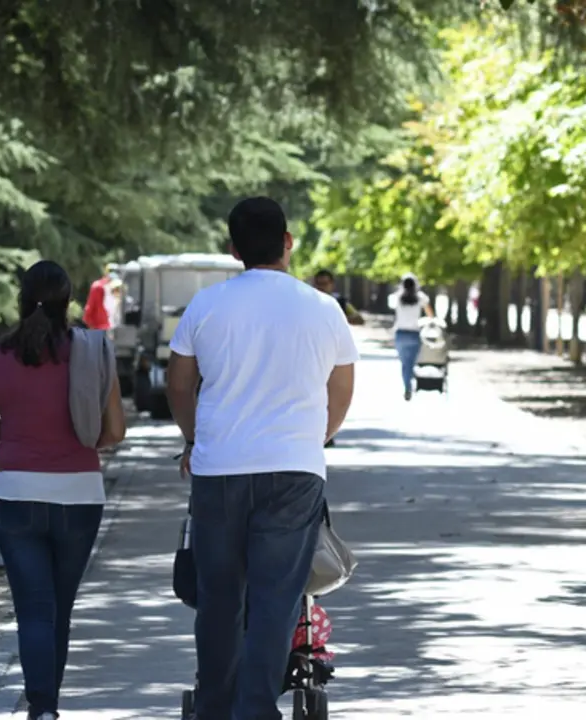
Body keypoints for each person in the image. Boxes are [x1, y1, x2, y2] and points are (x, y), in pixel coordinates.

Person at [166, 197, 358, 720]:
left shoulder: (206, 306)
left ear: (233, 250)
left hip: (219, 470)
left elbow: (179, 382)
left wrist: (191, 438)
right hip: (294, 471)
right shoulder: (323, 308)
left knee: (219, 599)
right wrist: (315, 438)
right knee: (277, 599)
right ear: (288, 243)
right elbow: (341, 389)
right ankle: (255, 710)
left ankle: (214, 708)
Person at [0, 260, 127, 720]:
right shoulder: (94, 351)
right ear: (69, 301)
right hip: (80, 496)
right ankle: (47, 704)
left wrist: (23, 430)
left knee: (34, 610)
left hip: (16, 494)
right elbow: (115, 430)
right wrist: (76, 439)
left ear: (22, 299)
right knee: (59, 607)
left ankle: (43, 707)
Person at [391, 273, 434, 401]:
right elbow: (430, 313)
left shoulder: (397, 297)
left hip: (400, 334)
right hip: (414, 334)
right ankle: (409, 382)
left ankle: (407, 385)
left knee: (404, 363)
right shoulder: (420, 297)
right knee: (411, 362)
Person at [82, 266, 113, 330]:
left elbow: (89, 308)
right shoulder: (119, 287)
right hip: (114, 327)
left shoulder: (97, 286)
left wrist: (89, 323)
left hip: (99, 327)